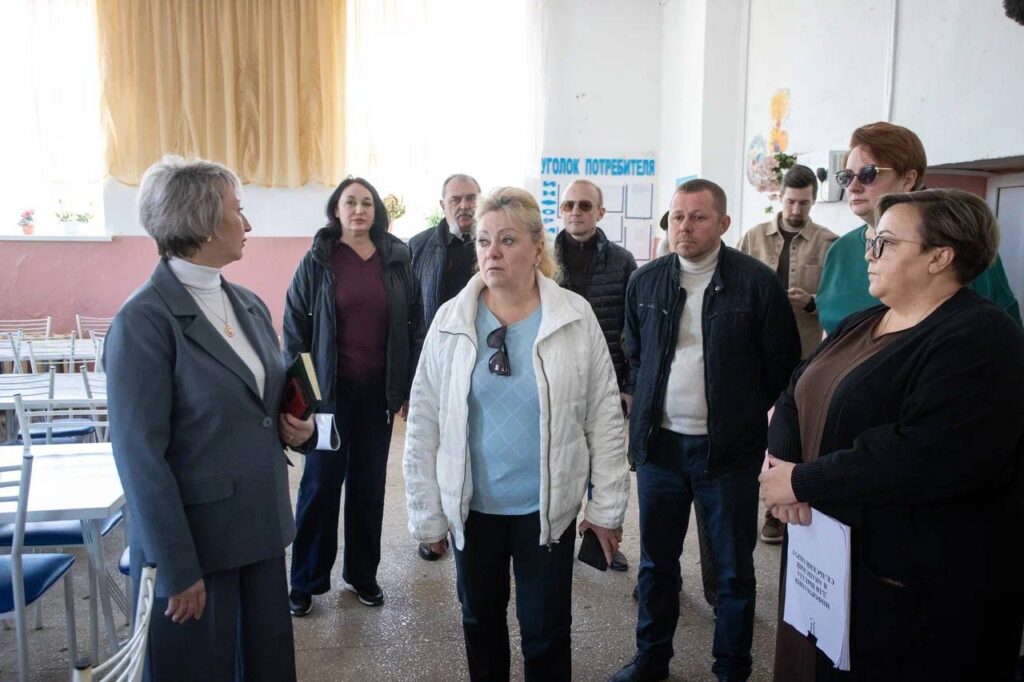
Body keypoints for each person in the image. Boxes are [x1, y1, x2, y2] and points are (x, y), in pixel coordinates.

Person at [760, 189, 1024, 681]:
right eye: (871, 242)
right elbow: (797, 387)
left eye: (884, 242)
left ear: (940, 257)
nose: (869, 254)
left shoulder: (981, 337)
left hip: (914, 579)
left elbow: (922, 453)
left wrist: (802, 481)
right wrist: (784, 461)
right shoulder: (866, 320)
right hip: (833, 549)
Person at [404, 187, 630, 681]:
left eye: (507, 240)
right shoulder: (451, 320)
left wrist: (606, 508)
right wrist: (427, 512)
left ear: (537, 247)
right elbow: (423, 421)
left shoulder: (574, 316)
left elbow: (604, 418)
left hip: (545, 509)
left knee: (546, 630)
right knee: (480, 622)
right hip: (473, 507)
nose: (492, 252)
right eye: (484, 241)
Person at [106, 156, 314, 681]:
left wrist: (301, 430)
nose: (247, 224)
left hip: (260, 530)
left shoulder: (246, 304)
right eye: (237, 211)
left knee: (265, 667)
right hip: (199, 548)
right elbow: (139, 458)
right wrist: (176, 567)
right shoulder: (143, 322)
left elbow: (262, 406)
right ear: (200, 223)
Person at [612, 179, 801, 682]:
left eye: (698, 217)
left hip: (729, 453)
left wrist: (743, 414)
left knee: (734, 570)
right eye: (677, 216)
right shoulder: (646, 281)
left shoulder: (756, 283)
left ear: (723, 224)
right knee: (656, 565)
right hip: (660, 449)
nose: (685, 227)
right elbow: (634, 354)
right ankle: (651, 659)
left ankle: (731, 669)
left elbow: (782, 365)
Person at [285, 176, 423, 615]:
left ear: (376, 210)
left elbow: (414, 328)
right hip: (329, 399)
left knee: (369, 488)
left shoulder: (397, 260)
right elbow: (295, 333)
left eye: (366, 202)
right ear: (336, 210)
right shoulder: (317, 260)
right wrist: (304, 400)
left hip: (376, 398)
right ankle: (305, 580)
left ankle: (362, 575)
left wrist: (404, 388)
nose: (359, 210)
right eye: (350, 202)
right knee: (320, 485)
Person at [816, 122, 1021, 334]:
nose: (853, 186)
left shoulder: (960, 246)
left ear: (908, 179)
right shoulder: (840, 250)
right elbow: (829, 331)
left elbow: (1002, 333)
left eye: (868, 174)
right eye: (846, 176)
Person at [738, 164, 838, 544]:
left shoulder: (829, 243)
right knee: (751, 426)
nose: (797, 210)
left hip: (803, 354)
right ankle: (747, 494)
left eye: (804, 203)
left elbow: (839, 301)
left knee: (792, 430)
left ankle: (776, 510)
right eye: (791, 201)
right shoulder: (753, 237)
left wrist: (811, 301)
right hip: (753, 351)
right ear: (779, 198)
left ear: (813, 201)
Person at [555, 178, 637, 571]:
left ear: (600, 213)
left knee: (605, 462)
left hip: (608, 381)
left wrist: (629, 385)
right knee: (559, 457)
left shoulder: (622, 261)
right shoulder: (541, 256)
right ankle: (553, 534)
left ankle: (603, 540)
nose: (576, 212)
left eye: (585, 205)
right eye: (569, 205)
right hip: (557, 376)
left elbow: (632, 330)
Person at [407, 172, 481, 561]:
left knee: (470, 443)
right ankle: (432, 529)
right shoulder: (419, 247)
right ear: (443, 205)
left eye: (471, 198)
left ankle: (471, 520)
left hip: (480, 363)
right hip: (433, 362)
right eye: (456, 199)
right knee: (431, 445)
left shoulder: (491, 243)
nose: (464, 206)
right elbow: (407, 317)